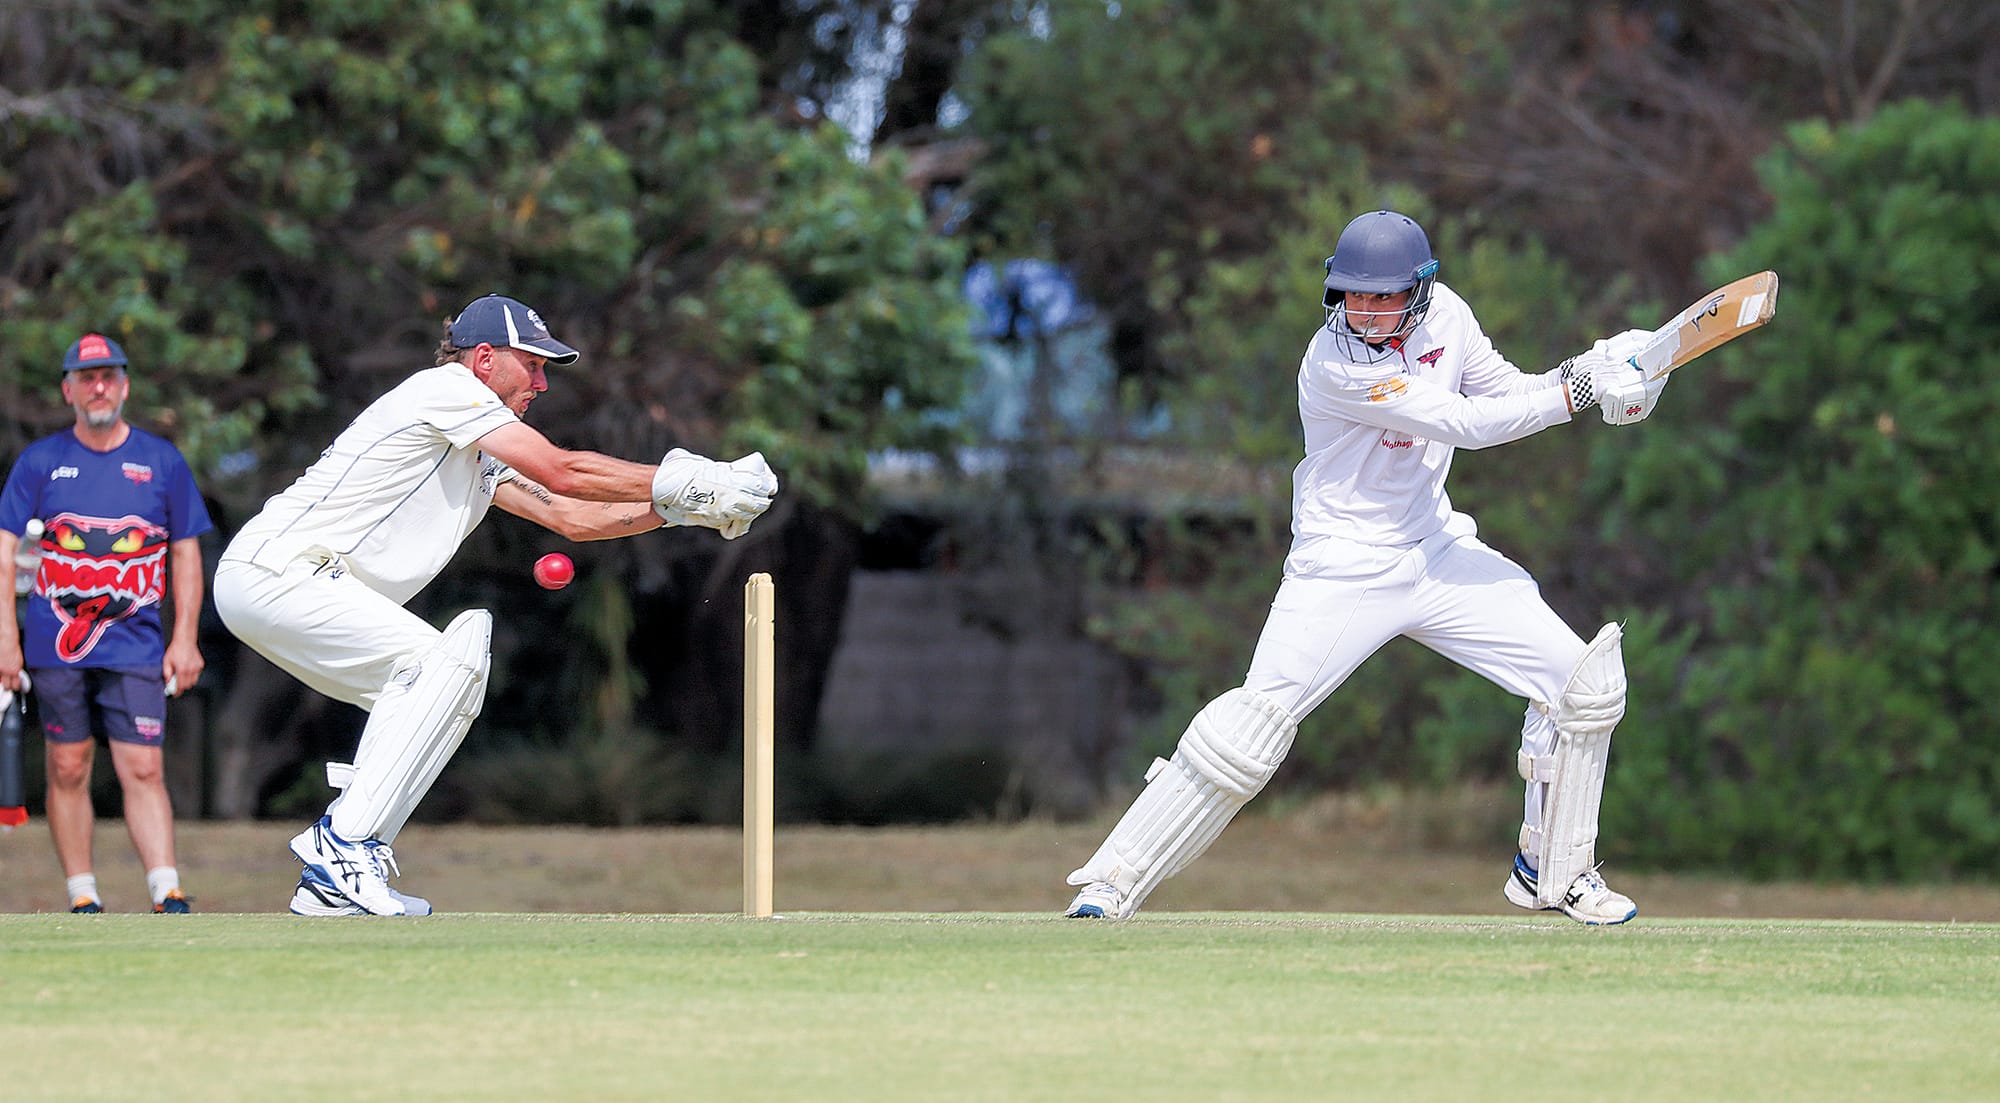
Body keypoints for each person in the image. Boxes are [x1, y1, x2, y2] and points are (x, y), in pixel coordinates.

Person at [1063, 210, 1667, 925]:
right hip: (1343, 563)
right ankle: (1111, 881)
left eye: (1384, 296)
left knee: (1584, 684)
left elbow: (1503, 392)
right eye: (1353, 295)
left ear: (1420, 288)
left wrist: (1592, 370)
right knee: (1250, 730)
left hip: (1434, 549)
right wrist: (1582, 391)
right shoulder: (1333, 362)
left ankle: (1555, 871)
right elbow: (1467, 427)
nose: (1368, 311)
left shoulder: (1449, 316)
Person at [213, 294, 778, 917]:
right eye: (531, 364)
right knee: (443, 660)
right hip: (279, 572)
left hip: (287, 584)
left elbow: (570, 517)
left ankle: (341, 870)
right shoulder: (445, 391)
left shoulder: (476, 445)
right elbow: (564, 472)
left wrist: (680, 510)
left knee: (441, 685)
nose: (541, 382)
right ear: (483, 359)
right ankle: (341, 845)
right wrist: (689, 475)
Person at [0, 333, 213, 914]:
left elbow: (185, 553)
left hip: (137, 642)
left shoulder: (161, 461)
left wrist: (186, 638)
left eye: (109, 376)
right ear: (68, 389)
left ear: (125, 385)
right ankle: (82, 894)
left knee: (143, 765)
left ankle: (165, 888)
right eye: (87, 378)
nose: (99, 388)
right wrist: (6, 641)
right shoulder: (41, 462)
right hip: (54, 642)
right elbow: (5, 552)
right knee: (68, 764)